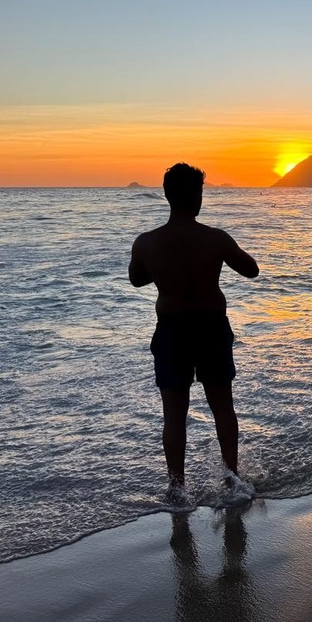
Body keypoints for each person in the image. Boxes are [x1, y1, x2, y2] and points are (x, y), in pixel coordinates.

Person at [128, 163, 259, 502]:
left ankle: (177, 488)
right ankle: (232, 479)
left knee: (174, 415)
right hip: (211, 327)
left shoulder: (147, 242)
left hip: (172, 330)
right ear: (198, 196)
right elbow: (251, 270)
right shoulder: (215, 238)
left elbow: (137, 279)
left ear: (167, 195)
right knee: (222, 407)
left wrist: (166, 268)